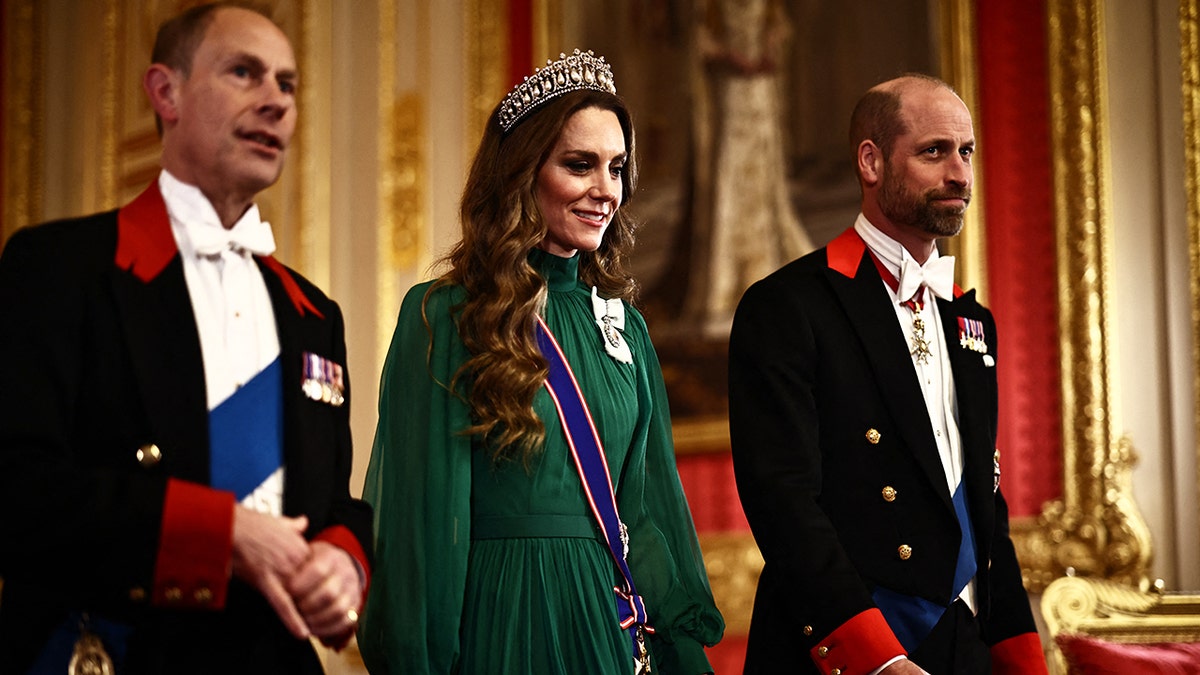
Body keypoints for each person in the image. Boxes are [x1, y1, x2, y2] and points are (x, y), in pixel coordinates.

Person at [0, 4, 371, 673]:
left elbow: (332, 503)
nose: (276, 102)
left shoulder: (316, 313)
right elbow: (18, 490)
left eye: (287, 85)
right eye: (244, 73)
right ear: (164, 92)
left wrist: (342, 561)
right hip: (119, 649)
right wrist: (219, 535)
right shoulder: (59, 269)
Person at [357, 49, 724, 674]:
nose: (605, 190)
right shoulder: (446, 315)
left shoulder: (626, 327)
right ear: (523, 173)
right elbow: (421, 521)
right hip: (507, 617)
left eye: (617, 168)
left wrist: (681, 652)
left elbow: (647, 508)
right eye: (579, 165)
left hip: (610, 624)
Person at [728, 74, 1048, 675]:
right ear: (871, 162)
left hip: (965, 646)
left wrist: (1020, 658)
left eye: (966, 152)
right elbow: (783, 502)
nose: (959, 174)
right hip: (849, 647)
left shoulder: (971, 321)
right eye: (934, 152)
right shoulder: (788, 306)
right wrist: (877, 659)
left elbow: (986, 509)